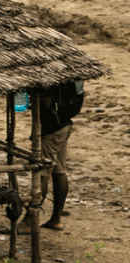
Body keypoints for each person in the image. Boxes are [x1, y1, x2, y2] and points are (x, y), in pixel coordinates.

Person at [40, 79, 86, 230]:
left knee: (43, 173)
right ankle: (56, 218)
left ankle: (29, 219)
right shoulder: (75, 77)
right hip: (65, 126)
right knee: (59, 171)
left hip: (52, 129)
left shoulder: (49, 78)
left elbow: (25, 106)